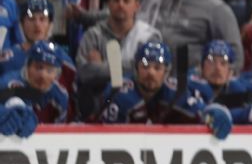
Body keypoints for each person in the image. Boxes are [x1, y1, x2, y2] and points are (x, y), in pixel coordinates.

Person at [99, 41, 230, 140]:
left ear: (166, 72)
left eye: (157, 67)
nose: (151, 72)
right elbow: (107, 138)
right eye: (145, 66)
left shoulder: (176, 93)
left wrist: (214, 113)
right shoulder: (121, 94)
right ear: (136, 69)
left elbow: (203, 112)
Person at [0, 41, 69, 130]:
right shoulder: (7, 84)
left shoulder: (60, 96)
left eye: (49, 70)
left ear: (57, 75)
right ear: (27, 66)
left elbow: (59, 132)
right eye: (38, 67)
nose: (42, 76)